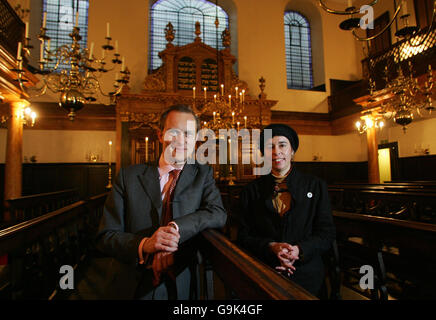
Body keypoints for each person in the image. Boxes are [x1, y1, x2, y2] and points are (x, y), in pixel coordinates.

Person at [95, 104, 227, 299]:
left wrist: (175, 229)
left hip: (183, 282)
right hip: (133, 283)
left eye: (188, 134)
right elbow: (105, 237)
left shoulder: (203, 174)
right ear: (160, 135)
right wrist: (145, 245)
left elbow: (217, 213)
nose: (181, 140)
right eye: (174, 132)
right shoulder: (128, 177)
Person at [237, 123, 336, 297]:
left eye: (282, 145)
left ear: (292, 150)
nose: (276, 152)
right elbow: (243, 236)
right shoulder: (250, 192)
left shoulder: (316, 186)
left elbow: (326, 234)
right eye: (270, 147)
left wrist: (299, 250)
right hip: (265, 270)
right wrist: (271, 246)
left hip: (307, 272)